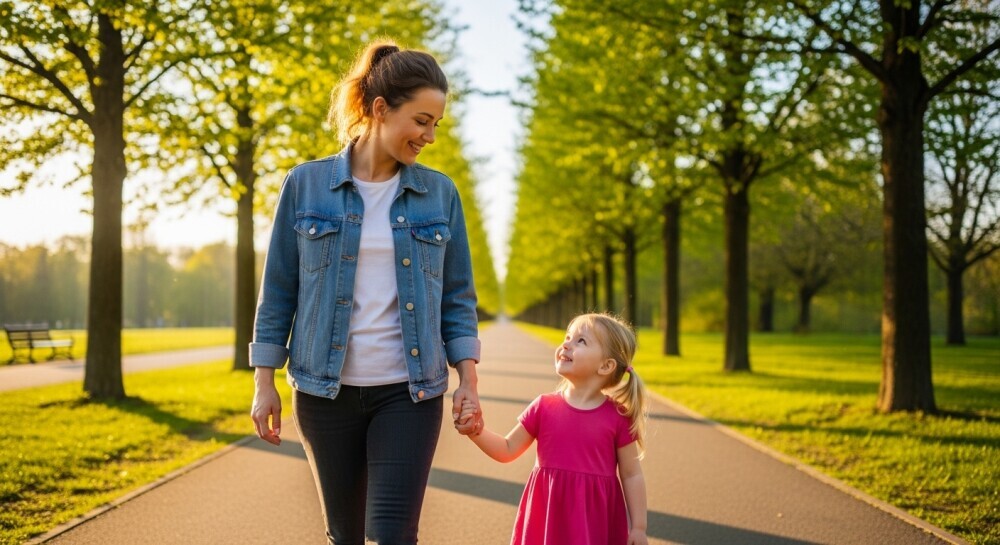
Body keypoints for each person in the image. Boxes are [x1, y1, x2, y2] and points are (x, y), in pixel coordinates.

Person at [249, 39, 482, 545]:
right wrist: (263, 381)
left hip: (409, 391)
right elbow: (279, 292)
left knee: (395, 535)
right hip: (322, 392)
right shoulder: (305, 185)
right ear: (381, 109)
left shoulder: (439, 194)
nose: (430, 135)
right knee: (346, 535)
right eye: (422, 120)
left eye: (436, 124)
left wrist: (468, 379)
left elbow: (458, 298)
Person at [459, 313, 649, 545]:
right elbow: (507, 449)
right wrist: (475, 431)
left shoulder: (618, 417)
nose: (566, 344)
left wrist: (638, 527)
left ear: (606, 365)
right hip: (547, 514)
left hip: (595, 520)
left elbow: (632, 474)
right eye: (568, 337)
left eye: (581, 341)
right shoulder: (544, 407)